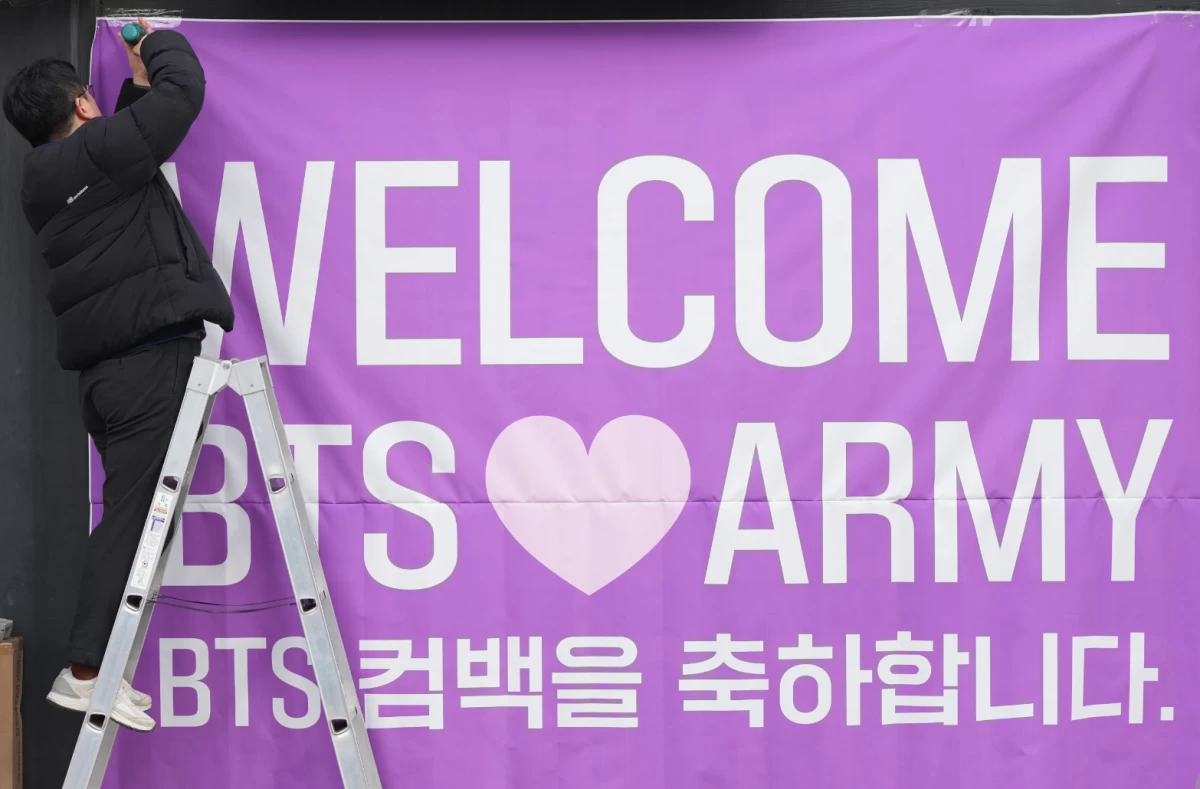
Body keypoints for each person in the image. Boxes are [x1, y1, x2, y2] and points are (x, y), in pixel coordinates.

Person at [2, 18, 234, 732]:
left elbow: (129, 149)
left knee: (134, 521)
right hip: (147, 363)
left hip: (111, 376)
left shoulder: (46, 183)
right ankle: (85, 671)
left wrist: (134, 76)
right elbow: (184, 92)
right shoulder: (96, 157)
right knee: (134, 525)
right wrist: (155, 36)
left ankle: (95, 666)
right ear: (80, 107)